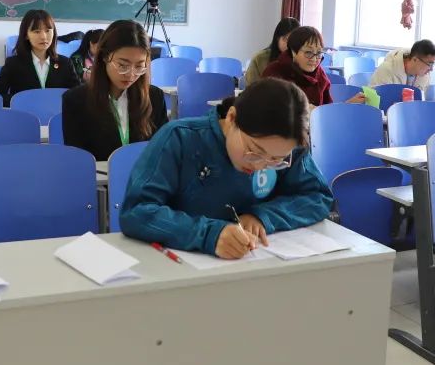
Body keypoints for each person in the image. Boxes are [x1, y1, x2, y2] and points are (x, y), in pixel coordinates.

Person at [120, 78, 332, 259]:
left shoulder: (289, 148)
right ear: (231, 118)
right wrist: (208, 235)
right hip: (185, 269)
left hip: (258, 265)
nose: (259, 165)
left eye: (276, 160)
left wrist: (263, 216)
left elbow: (318, 197)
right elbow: (137, 211)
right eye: (254, 151)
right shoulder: (179, 138)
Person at [61, 20, 169, 161]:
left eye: (139, 66)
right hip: (98, 176)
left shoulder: (154, 97)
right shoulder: (75, 100)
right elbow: (77, 160)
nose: (131, 74)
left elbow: (163, 151)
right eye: (123, 65)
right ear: (105, 57)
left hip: (143, 174)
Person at [0, 9, 79, 105]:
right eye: (37, 31)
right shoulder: (13, 64)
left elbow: (78, 95)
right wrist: (22, 101)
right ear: (26, 35)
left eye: (48, 31)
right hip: (25, 113)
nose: (43, 37)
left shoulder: (65, 63)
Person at [262, 26, 364, 106]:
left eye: (319, 53)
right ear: (293, 52)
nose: (314, 59)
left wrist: (348, 104)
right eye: (308, 52)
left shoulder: (320, 74)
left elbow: (326, 112)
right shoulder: (274, 73)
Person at [245, 16, 300, 86]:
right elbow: (251, 88)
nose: (289, 44)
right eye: (285, 39)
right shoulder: (259, 59)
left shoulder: (302, 59)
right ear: (277, 38)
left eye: (293, 40)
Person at [369, 39, 435, 93]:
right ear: (415, 59)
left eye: (433, 64)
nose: (431, 69)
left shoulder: (425, 76)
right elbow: (373, 100)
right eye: (429, 64)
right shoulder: (386, 69)